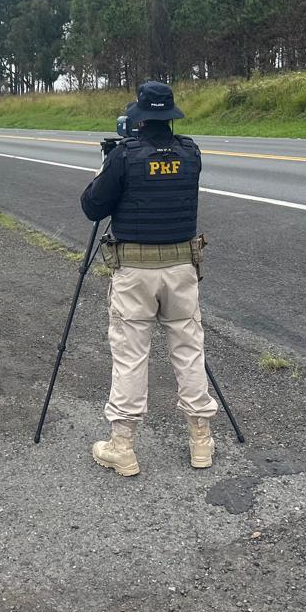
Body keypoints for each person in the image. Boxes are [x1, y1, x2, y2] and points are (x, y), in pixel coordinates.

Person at [79, 81, 217, 477]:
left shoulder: (124, 156)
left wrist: (105, 167)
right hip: (182, 269)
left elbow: (93, 207)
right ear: (170, 117)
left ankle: (122, 446)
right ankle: (201, 441)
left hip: (136, 272)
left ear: (138, 119)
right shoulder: (191, 153)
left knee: (130, 356)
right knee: (189, 350)